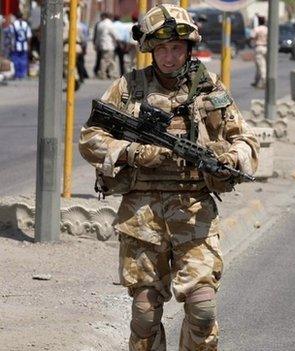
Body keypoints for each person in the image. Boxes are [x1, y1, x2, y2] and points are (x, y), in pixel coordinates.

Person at [78, 4, 259, 350]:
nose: (170, 57)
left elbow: (246, 141)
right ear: (150, 50)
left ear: (188, 48)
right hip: (141, 219)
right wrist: (133, 152)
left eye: (176, 48)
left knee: (202, 309)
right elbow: (90, 138)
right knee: (144, 314)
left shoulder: (209, 90)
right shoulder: (128, 88)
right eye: (162, 49)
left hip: (194, 215)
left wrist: (229, 157)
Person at [7, 11, 32, 79]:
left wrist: (10, 45)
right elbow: (29, 36)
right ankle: (23, 74)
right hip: (24, 45)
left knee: (16, 60)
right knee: (23, 60)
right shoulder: (26, 24)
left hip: (15, 46)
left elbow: (11, 36)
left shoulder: (13, 25)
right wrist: (29, 45)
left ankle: (17, 74)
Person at [94, 12, 118, 79]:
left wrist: (97, 45)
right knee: (108, 60)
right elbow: (115, 34)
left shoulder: (100, 24)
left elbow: (97, 37)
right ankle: (105, 74)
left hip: (102, 45)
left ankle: (110, 73)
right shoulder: (109, 24)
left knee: (106, 59)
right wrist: (117, 42)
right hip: (109, 45)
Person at [249, 15, 268, 89]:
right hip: (266, 47)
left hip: (259, 47)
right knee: (261, 65)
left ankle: (264, 81)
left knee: (261, 66)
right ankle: (257, 81)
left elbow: (252, 37)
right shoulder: (267, 29)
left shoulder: (257, 29)